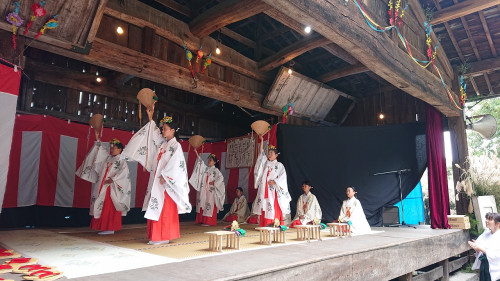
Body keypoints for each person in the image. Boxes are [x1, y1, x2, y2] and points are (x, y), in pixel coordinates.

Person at [122, 113, 191, 245]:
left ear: (172, 130)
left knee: (164, 209)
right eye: (163, 128)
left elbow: (177, 164)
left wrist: (166, 177)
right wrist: (147, 163)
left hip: (166, 182)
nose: (162, 130)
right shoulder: (163, 145)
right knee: (155, 205)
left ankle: (163, 236)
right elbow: (153, 138)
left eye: (165, 128)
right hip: (157, 181)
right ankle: (156, 235)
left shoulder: (176, 146)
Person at [88, 139, 131, 235]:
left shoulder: (121, 160)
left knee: (109, 206)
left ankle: (110, 227)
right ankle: (104, 227)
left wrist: (114, 179)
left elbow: (124, 173)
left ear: (120, 149)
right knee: (103, 205)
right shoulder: (108, 159)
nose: (112, 150)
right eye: (111, 148)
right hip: (105, 186)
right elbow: (100, 170)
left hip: (112, 187)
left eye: (114, 148)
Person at [253, 136, 291, 227]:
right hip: (264, 189)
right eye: (269, 153)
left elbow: (283, 177)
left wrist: (275, 181)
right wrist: (261, 141)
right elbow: (261, 154)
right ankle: (264, 224)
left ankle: (274, 224)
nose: (269, 154)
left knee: (272, 206)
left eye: (272, 153)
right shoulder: (266, 163)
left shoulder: (279, 165)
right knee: (264, 206)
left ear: (276, 155)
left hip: (273, 190)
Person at [190, 151, 226, 226]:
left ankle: (209, 221)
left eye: (211, 160)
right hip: (204, 190)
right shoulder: (206, 169)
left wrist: (215, 183)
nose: (209, 161)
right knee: (202, 202)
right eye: (209, 160)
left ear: (215, 162)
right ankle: (202, 220)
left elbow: (221, 179)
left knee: (209, 204)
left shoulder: (216, 171)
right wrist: (197, 153)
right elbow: (201, 164)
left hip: (211, 191)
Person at [469, 212, 500, 281]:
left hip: (496, 267)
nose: (486, 221)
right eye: (486, 219)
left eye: (490, 219)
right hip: (484, 265)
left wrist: (480, 248)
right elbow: (478, 246)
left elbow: (497, 255)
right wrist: (475, 246)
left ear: (498, 224)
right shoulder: (486, 233)